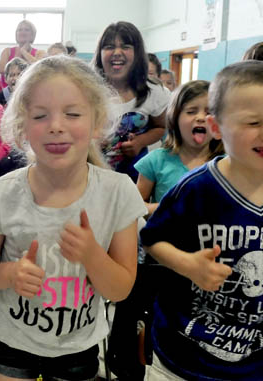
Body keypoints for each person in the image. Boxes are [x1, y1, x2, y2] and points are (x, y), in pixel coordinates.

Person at [0, 55, 146, 380]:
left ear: (96, 122)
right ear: (23, 127)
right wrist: (9, 273)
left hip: (76, 348)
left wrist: (92, 254)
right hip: (7, 343)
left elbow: (120, 290)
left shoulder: (117, 192)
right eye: (40, 115)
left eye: (72, 114)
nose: (56, 125)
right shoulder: (1, 193)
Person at [140, 60, 263, 381]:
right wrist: (187, 264)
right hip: (180, 356)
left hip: (252, 364)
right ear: (216, 127)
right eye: (254, 122)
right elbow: (152, 240)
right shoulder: (197, 187)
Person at [134, 80, 223, 216]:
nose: (200, 118)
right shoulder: (155, 161)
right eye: (191, 111)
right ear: (175, 118)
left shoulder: (228, 164)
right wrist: (169, 208)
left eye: (209, 112)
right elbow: (135, 208)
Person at [94, 21, 170, 181]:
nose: (117, 52)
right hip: (92, 175)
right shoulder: (88, 89)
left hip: (133, 178)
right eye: (109, 47)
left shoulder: (154, 91)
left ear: (137, 53)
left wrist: (140, 141)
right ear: (100, 54)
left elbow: (160, 127)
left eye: (126, 46)